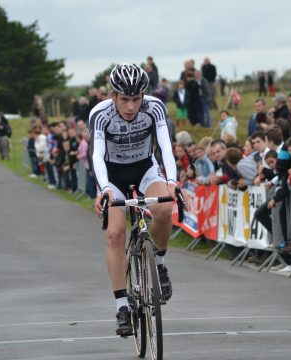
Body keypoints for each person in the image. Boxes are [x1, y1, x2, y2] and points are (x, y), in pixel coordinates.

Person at [89, 64, 178, 337]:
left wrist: (172, 184)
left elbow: (165, 147)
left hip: (144, 168)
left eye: (136, 99)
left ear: (143, 96)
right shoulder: (100, 114)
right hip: (112, 175)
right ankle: (122, 306)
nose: (130, 106)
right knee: (115, 234)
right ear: (113, 95)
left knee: (164, 209)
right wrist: (103, 188)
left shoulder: (154, 108)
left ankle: (159, 267)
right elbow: (95, 155)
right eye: (124, 99)